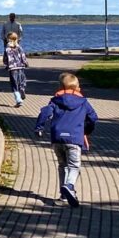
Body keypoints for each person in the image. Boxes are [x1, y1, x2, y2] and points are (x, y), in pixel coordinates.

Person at [34, 73, 98, 208]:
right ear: (77, 87)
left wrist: (39, 127)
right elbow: (93, 117)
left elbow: (45, 113)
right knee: (74, 165)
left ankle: (64, 197)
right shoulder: (83, 103)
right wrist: (87, 130)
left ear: (60, 87)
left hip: (57, 139)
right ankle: (69, 186)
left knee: (62, 165)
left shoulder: (55, 101)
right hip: (74, 139)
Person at [3, 32, 28, 107]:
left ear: (8, 39)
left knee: (14, 84)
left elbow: (5, 59)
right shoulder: (19, 47)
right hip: (20, 67)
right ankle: (22, 89)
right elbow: (23, 56)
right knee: (21, 80)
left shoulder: (7, 49)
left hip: (12, 68)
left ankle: (18, 100)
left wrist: (7, 64)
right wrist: (25, 63)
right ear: (17, 39)